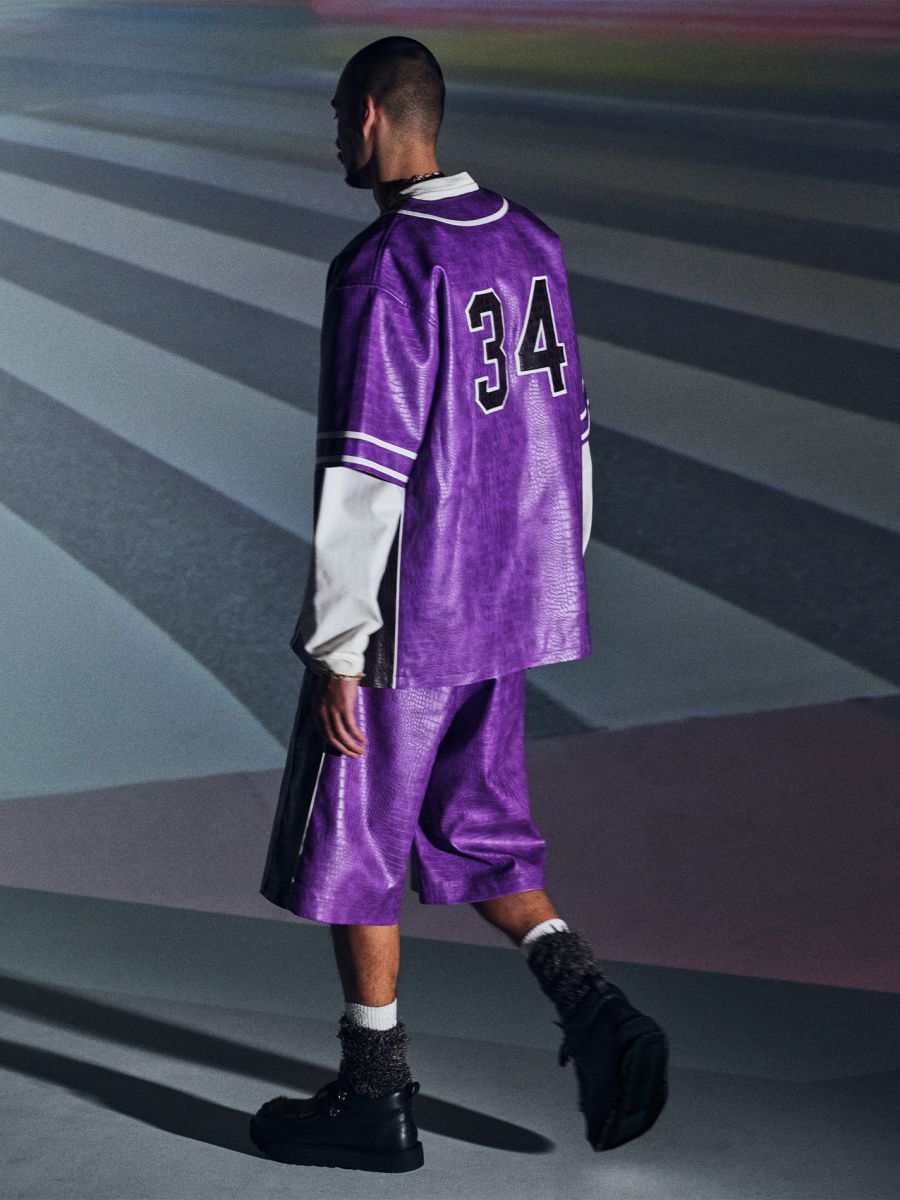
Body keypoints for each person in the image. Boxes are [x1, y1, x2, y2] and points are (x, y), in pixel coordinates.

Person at [250, 35, 668, 1172]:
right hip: (511, 599)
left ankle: (374, 1092)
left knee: (356, 839)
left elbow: (367, 468)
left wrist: (340, 646)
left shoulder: (385, 265)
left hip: (411, 616)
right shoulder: (533, 241)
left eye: (339, 118)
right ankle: (595, 1007)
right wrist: (549, 577)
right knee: (480, 832)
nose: (335, 140)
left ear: (372, 115)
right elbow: (572, 434)